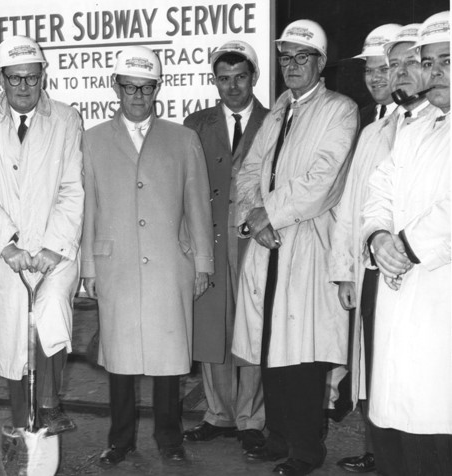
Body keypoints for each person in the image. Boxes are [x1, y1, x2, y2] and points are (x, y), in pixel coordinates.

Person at [233, 19, 358, 476]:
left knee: (301, 358)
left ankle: (306, 450)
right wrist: (253, 218)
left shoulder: (340, 110)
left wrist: (269, 214)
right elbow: (248, 174)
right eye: (285, 57)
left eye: (302, 57)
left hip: (305, 244)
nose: (292, 66)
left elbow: (322, 180)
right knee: (270, 350)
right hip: (269, 245)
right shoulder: (278, 110)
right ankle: (278, 437)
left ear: (321, 63)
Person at [81, 45, 214, 465]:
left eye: (146, 87)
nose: (138, 96)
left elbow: (197, 206)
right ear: (115, 87)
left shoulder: (183, 139)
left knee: (168, 358)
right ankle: (120, 441)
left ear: (158, 88)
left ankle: (169, 440)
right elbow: (87, 210)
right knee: (119, 361)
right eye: (129, 87)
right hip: (114, 264)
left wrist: (204, 263)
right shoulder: (92, 140)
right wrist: (88, 266)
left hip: (169, 264)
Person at [0, 36, 83, 436]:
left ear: (42, 76)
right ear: (0, 77)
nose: (23, 87)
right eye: (14, 79)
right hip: (8, 255)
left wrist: (54, 246)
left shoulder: (66, 119)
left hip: (55, 248)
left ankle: (49, 405)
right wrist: (7, 245)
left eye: (31, 79)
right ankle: (22, 424)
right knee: (14, 339)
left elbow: (72, 188)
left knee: (50, 311)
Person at [332, 22, 434, 474]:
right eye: (382, 68)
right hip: (380, 264)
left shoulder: (420, 121)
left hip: (422, 271)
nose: (387, 77)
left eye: (405, 64)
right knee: (380, 370)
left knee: (418, 387)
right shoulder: (383, 127)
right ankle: (380, 450)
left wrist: (403, 247)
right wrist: (359, 255)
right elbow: (361, 203)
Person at [361, 11, 451, 476]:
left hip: (441, 304)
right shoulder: (416, 129)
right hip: (402, 299)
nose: (435, 73)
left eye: (447, 61)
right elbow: (379, 190)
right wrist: (377, 236)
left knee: (437, 428)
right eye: (429, 62)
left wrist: (405, 247)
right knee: (400, 426)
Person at [181, 40, 268, 453]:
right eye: (223, 79)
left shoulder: (273, 121)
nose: (232, 87)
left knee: (251, 331)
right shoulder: (196, 124)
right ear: (214, 81)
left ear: (253, 77)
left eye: (240, 78)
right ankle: (218, 414)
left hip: (253, 243)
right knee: (211, 330)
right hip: (211, 241)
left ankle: (252, 419)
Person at [325, 24, 402, 429]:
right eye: (370, 69)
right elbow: (351, 203)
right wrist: (343, 272)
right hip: (364, 264)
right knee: (370, 359)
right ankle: (377, 449)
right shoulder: (368, 121)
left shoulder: (411, 125)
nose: (374, 77)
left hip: (394, 263)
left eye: (384, 68)